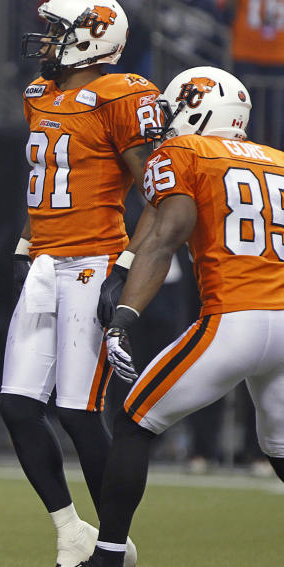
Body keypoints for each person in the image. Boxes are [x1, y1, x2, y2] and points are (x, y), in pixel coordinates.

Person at [77, 66, 284, 567]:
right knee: (279, 450)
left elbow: (168, 235)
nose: (165, 122)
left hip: (233, 319)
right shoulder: (278, 161)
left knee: (132, 421)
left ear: (200, 109)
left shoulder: (184, 152)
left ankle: (108, 559)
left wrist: (124, 315)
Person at [4, 0, 160, 567]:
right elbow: (46, 180)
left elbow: (160, 194)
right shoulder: (40, 93)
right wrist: (26, 243)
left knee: (76, 412)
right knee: (18, 407)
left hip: (95, 260)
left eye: (56, 30)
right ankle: (71, 529)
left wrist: (126, 269)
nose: (45, 40)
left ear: (93, 37)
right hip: (46, 260)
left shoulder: (122, 94)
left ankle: (115, 543)